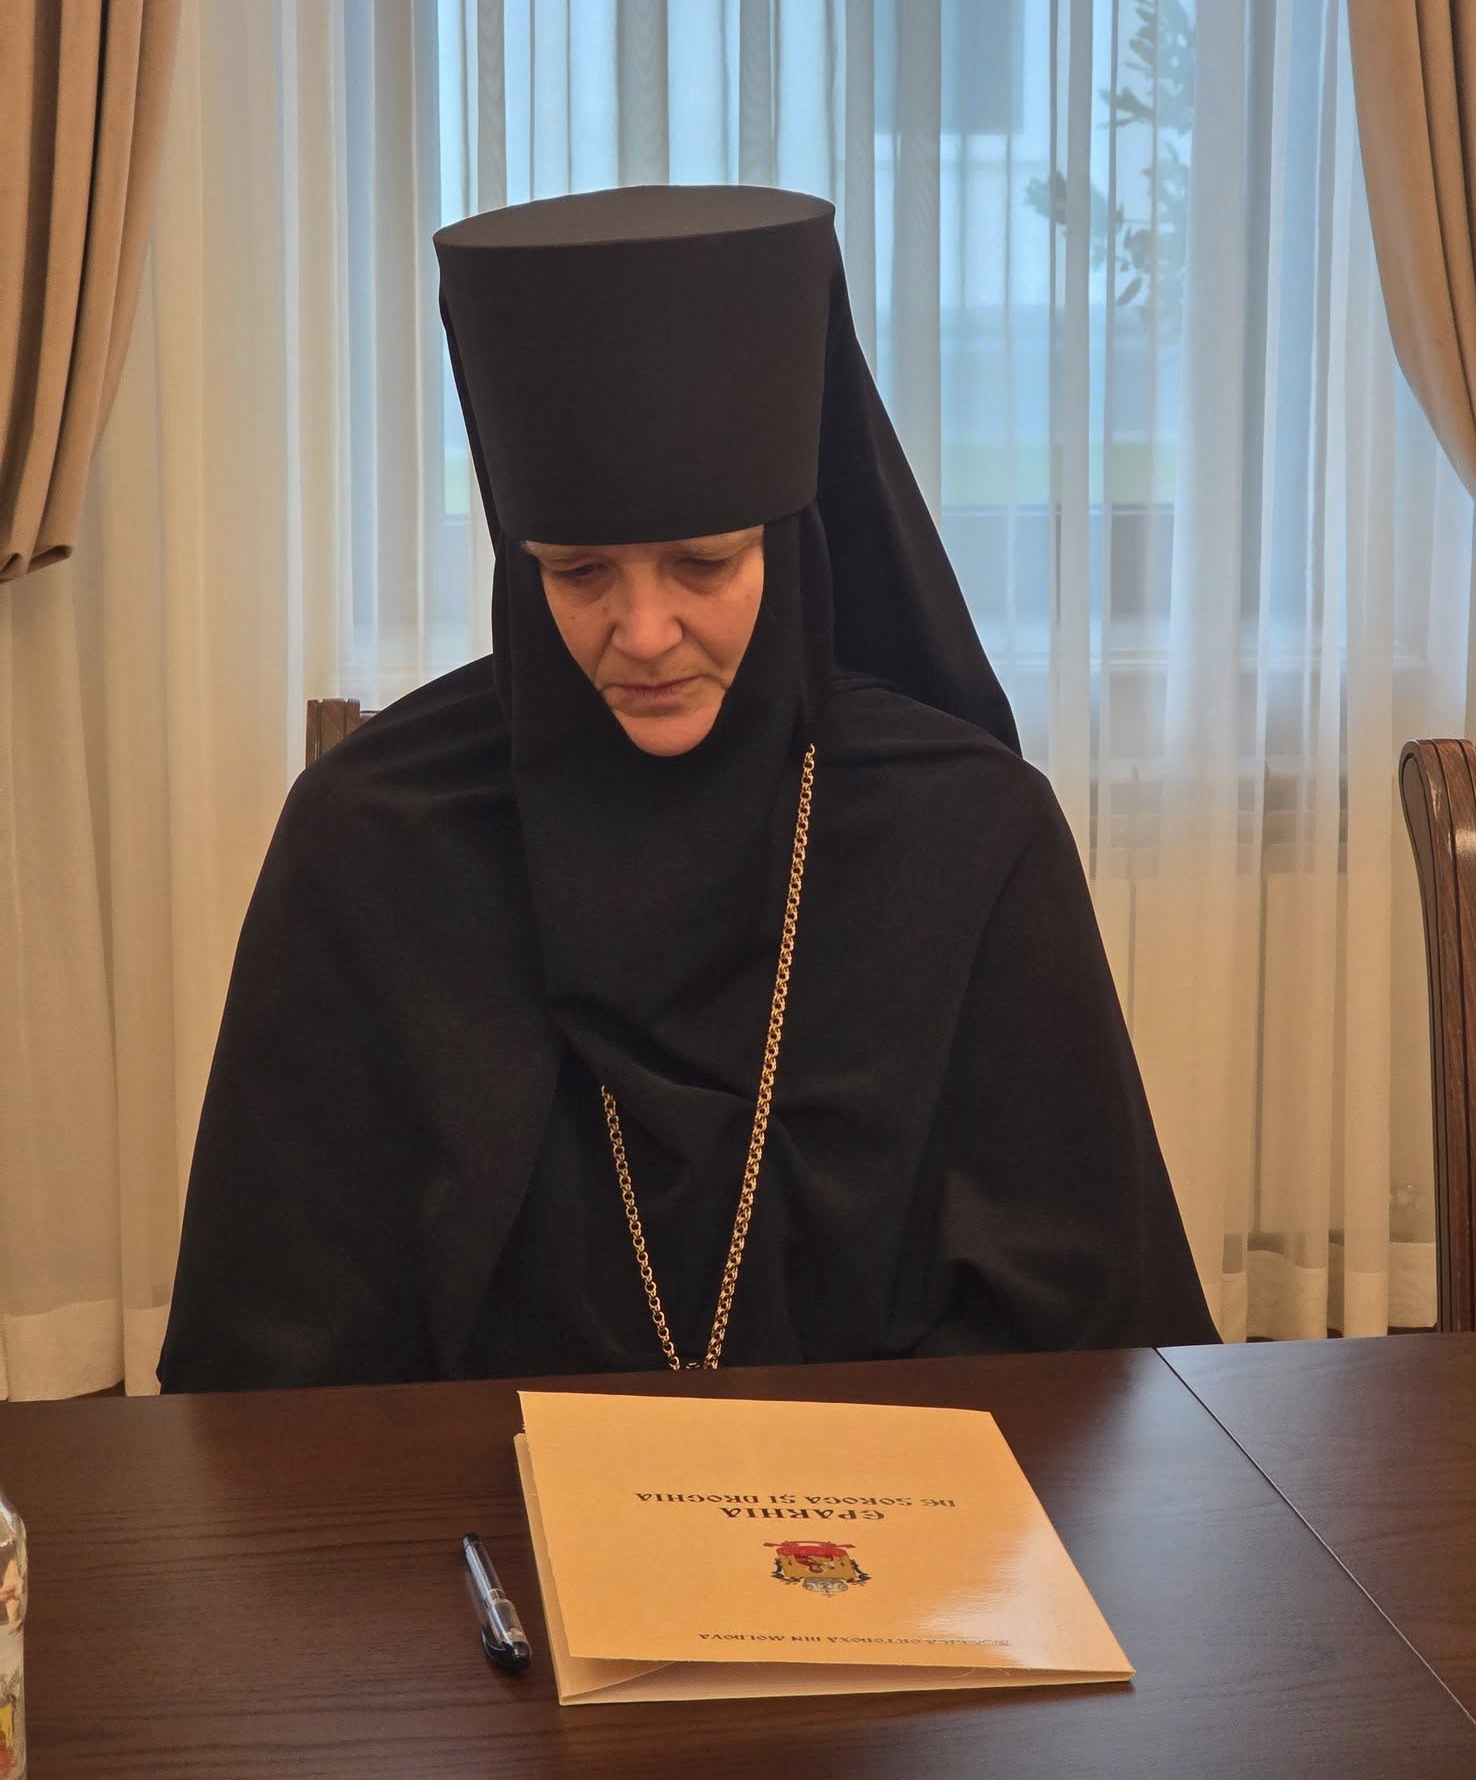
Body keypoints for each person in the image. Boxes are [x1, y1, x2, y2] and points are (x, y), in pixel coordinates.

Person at [158, 185, 1215, 1391]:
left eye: (703, 562)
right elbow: (270, 1358)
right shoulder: (369, 837)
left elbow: (1090, 1337)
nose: (645, 631)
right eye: (580, 572)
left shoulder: (971, 831)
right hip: (468, 1493)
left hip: (896, 1494)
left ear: (790, 540)